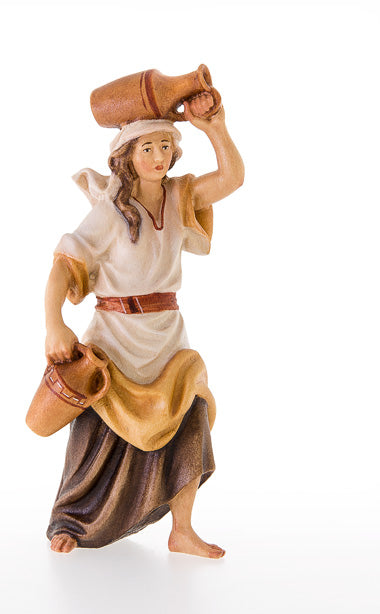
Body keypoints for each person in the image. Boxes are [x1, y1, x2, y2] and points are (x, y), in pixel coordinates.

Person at [44, 93, 244, 558]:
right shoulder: (109, 211)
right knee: (97, 436)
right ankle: (71, 518)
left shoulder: (180, 197)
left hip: (168, 338)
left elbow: (232, 178)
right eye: (147, 148)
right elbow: (63, 267)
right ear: (127, 156)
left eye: (165, 146)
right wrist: (54, 323)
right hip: (115, 338)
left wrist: (214, 126)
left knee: (190, 416)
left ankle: (182, 530)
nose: (158, 157)